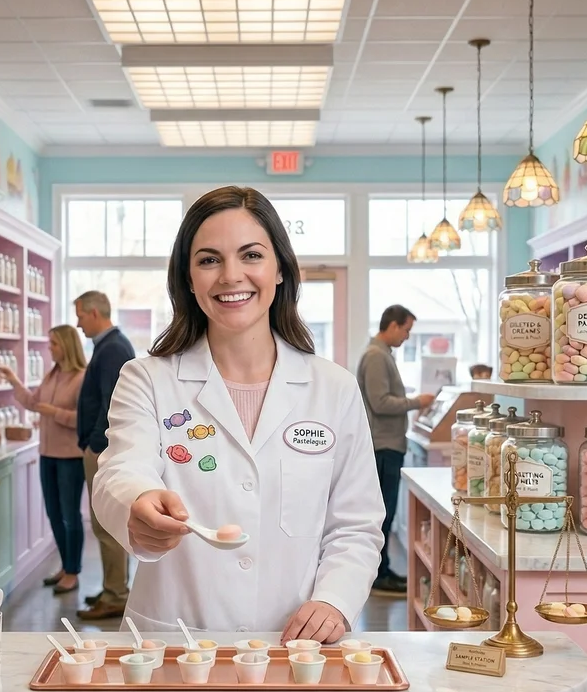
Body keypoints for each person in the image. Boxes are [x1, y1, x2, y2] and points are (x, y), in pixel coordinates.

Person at [93, 186, 383, 642]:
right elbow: (121, 470)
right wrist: (138, 506)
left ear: (281, 270)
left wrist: (335, 600)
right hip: (173, 643)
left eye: (251, 255)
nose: (231, 276)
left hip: (296, 647)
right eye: (209, 260)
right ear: (188, 279)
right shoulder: (147, 379)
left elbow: (356, 524)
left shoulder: (334, 389)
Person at [0, 325, 87, 594]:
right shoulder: (52, 375)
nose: (49, 348)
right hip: (47, 455)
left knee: (71, 516)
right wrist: (14, 381)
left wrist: (54, 412)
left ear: (67, 346)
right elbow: (34, 403)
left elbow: (83, 420)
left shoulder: (82, 378)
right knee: (54, 514)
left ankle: (73, 572)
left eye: (54, 344)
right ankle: (65, 565)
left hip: (70, 456)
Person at [355, 305, 435, 597]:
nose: (406, 337)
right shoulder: (376, 356)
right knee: (383, 513)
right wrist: (417, 401)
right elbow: (381, 403)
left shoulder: (380, 354)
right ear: (392, 325)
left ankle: (382, 569)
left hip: (387, 444)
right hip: (383, 445)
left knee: (385, 511)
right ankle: (379, 574)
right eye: (406, 330)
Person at [73, 290, 137, 620]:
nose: (78, 323)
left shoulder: (112, 348)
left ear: (95, 313)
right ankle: (113, 587)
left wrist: (96, 444)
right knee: (103, 525)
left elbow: (113, 400)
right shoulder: (110, 346)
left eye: (80, 315)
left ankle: (116, 594)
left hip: (102, 449)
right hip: (100, 447)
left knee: (106, 525)